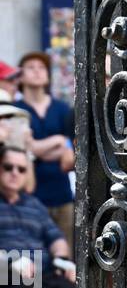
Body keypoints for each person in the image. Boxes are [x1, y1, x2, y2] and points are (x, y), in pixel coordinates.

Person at [0, 141, 76, 288]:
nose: (15, 173)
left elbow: (55, 238)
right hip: (7, 271)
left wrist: (64, 261)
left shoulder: (35, 206)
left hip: (40, 270)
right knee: (24, 284)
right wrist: (10, 262)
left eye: (21, 169)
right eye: (8, 167)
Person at [14, 52, 76, 252]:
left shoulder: (61, 109)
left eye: (41, 68)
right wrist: (57, 141)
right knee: (33, 255)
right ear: (21, 76)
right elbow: (22, 147)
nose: (37, 71)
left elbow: (69, 155)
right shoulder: (16, 110)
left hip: (62, 194)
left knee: (65, 255)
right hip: (29, 195)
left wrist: (35, 148)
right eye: (31, 67)